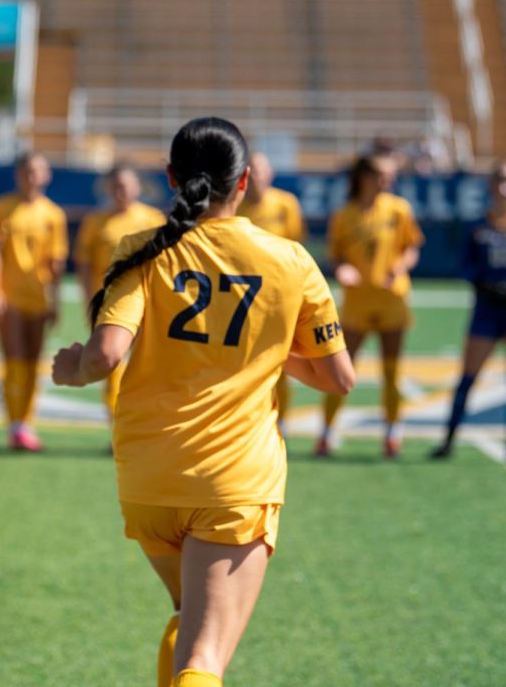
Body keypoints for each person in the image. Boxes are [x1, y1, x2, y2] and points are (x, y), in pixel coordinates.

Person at [51, 118, 354, 687]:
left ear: (170, 178)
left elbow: (106, 355)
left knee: (189, 622)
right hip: (230, 483)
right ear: (243, 183)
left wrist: (71, 370)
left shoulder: (143, 249)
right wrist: (272, 349)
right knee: (205, 659)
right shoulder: (290, 260)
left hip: (147, 480)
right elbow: (339, 378)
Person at [432, 162, 506, 460]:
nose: (504, 186)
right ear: (490, 185)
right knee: (468, 377)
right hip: (486, 309)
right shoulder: (478, 226)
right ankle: (449, 439)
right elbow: (465, 264)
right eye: (499, 179)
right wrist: (481, 283)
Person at [315, 153, 424, 459]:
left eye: (390, 176)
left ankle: (392, 433)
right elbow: (334, 255)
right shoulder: (345, 215)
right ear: (364, 178)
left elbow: (412, 246)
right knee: (341, 371)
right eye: (382, 176)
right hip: (357, 303)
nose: (388, 182)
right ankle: (326, 432)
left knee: (392, 371)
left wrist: (400, 267)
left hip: (392, 300)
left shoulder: (399, 209)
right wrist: (341, 270)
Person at [0, 153, 68, 452]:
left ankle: (26, 424)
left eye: (37, 171)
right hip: (11, 295)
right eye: (27, 171)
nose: (31, 177)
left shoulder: (53, 215)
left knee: (33, 361)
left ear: (46, 176)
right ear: (18, 175)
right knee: (13, 359)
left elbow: (55, 263)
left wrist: (56, 299)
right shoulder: (2, 208)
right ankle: (14, 425)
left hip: (38, 296)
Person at [73, 165, 164, 427]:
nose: (121, 191)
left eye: (125, 185)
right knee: (110, 361)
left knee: (146, 362)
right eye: (116, 186)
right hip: (110, 302)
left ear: (137, 187)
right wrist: (88, 295)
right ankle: (118, 423)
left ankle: (146, 423)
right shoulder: (96, 221)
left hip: (144, 299)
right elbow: (84, 261)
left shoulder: (152, 219)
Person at [236, 152, 306, 438]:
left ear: (271, 175)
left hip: (278, 296)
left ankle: (281, 421)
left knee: (282, 361)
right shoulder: (234, 206)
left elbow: (296, 249)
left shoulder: (286, 204)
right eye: (251, 173)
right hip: (240, 298)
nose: (257, 179)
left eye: (262, 172)